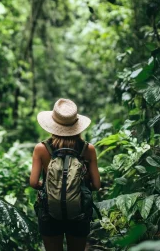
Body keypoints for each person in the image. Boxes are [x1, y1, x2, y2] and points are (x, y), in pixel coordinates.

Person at [30, 98, 101, 251]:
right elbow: (96, 185)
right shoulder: (88, 149)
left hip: (49, 211)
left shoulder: (41, 149)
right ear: (77, 125)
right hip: (79, 212)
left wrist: (51, 186)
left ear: (52, 124)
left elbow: (34, 182)